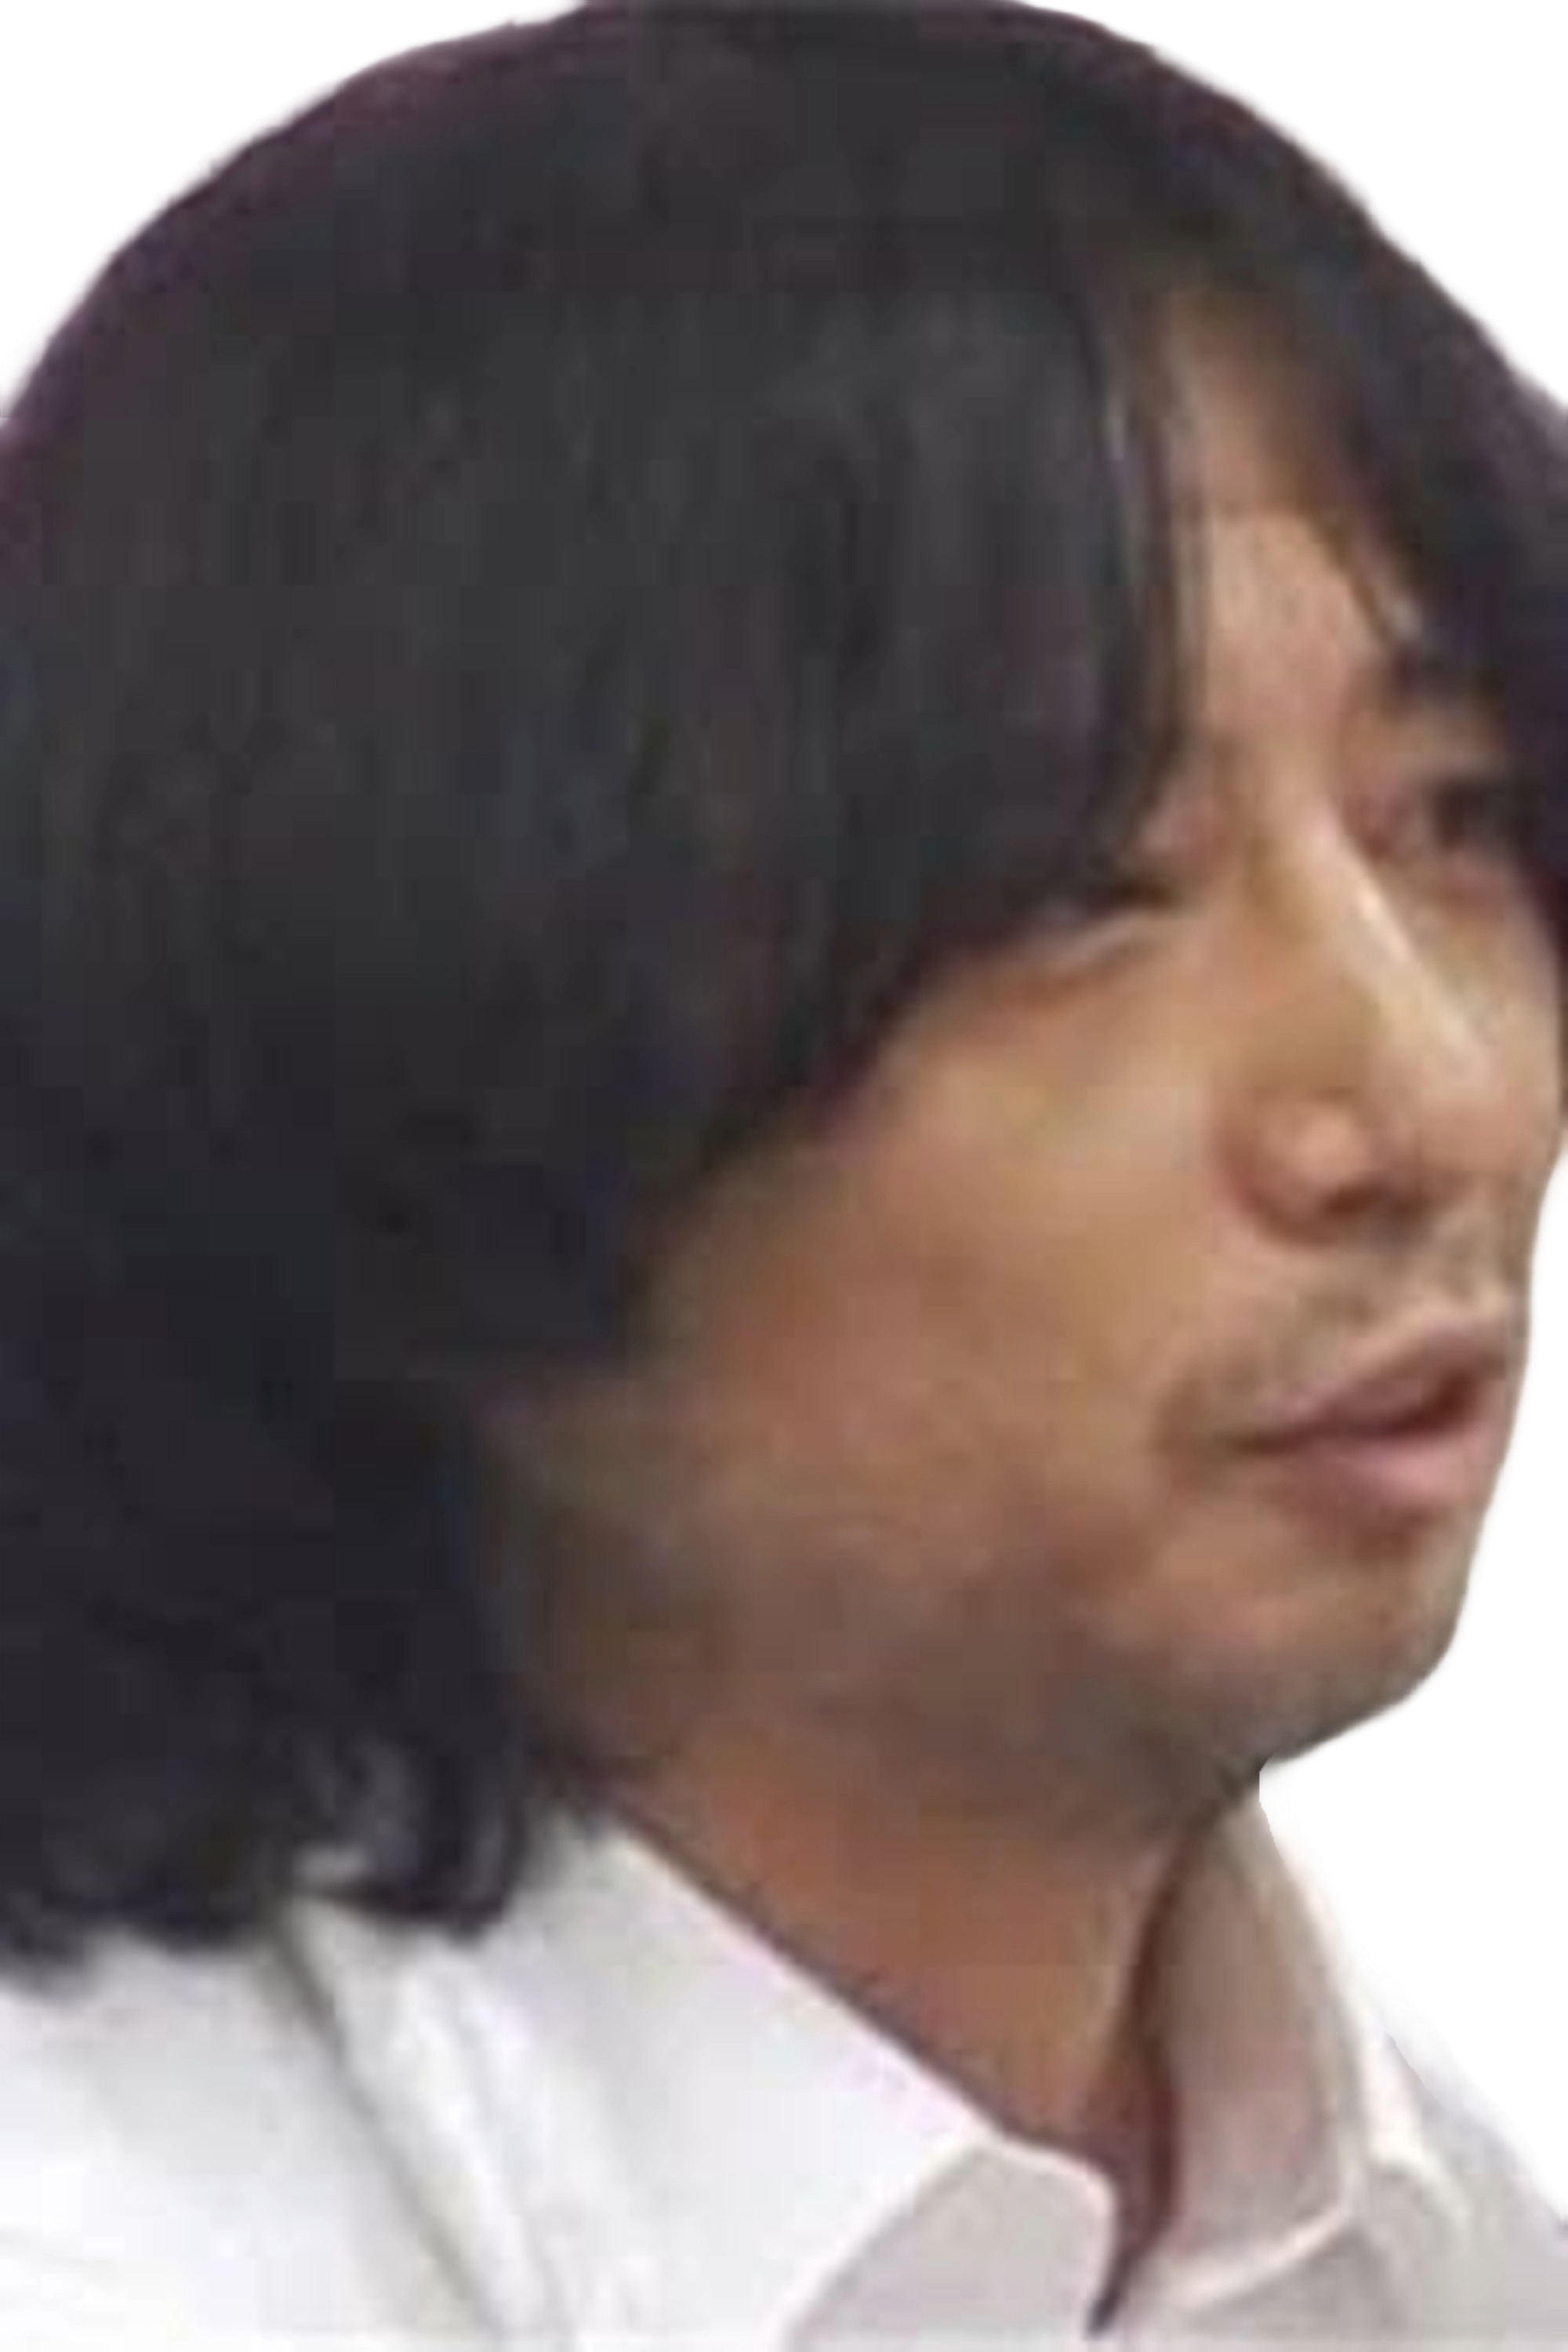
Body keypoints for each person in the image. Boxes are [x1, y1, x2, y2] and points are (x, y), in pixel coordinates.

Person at [0, 0, 1563, 2340]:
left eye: (1451, 813)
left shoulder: (1391, 2202)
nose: (1416, 1100)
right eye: (1078, 887)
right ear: (404, 1032)